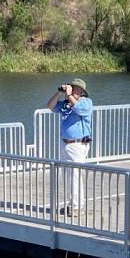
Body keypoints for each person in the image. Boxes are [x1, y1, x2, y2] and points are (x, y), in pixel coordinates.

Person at [46, 78, 93, 213]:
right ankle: (72, 203)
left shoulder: (86, 102)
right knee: (67, 175)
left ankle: (78, 206)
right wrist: (59, 93)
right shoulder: (66, 104)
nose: (71, 90)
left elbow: (79, 109)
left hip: (78, 144)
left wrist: (69, 96)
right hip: (65, 143)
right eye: (71, 87)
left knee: (75, 175)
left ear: (81, 91)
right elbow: (50, 106)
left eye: (75, 88)